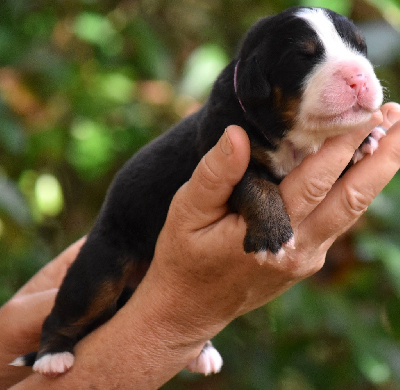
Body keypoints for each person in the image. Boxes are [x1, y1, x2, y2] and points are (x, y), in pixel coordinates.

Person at [1, 103, 400, 389]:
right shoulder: (239, 120)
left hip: (131, 238)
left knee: (67, 300)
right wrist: (177, 320)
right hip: (130, 236)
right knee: (83, 296)